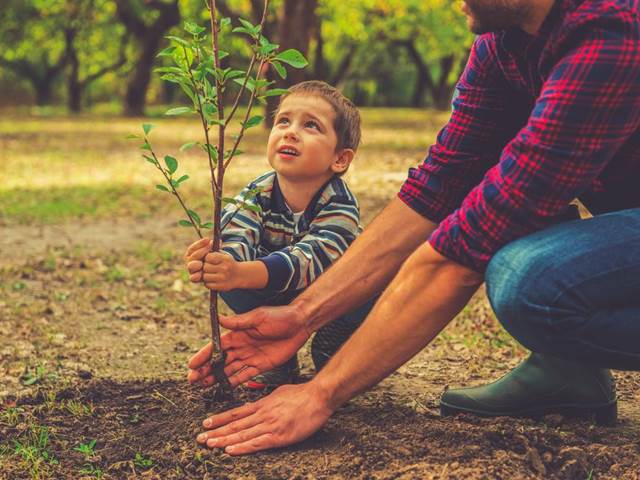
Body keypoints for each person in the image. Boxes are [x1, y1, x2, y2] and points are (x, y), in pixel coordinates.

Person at [188, 0, 640, 455]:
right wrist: (301, 315)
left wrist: (320, 392)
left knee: (529, 280)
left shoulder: (611, 30)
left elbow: (462, 253)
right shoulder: (500, 44)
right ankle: (569, 370)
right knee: (514, 213)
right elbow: (438, 187)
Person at [185, 80, 375, 389]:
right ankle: (279, 358)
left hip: (335, 295)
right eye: (283, 121)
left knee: (343, 343)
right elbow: (236, 232)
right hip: (278, 288)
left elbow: (312, 260)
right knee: (232, 280)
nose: (290, 131)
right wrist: (221, 263)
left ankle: (340, 340)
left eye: (311, 126)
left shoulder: (339, 203)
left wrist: (244, 272)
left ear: (339, 159)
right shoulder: (258, 191)